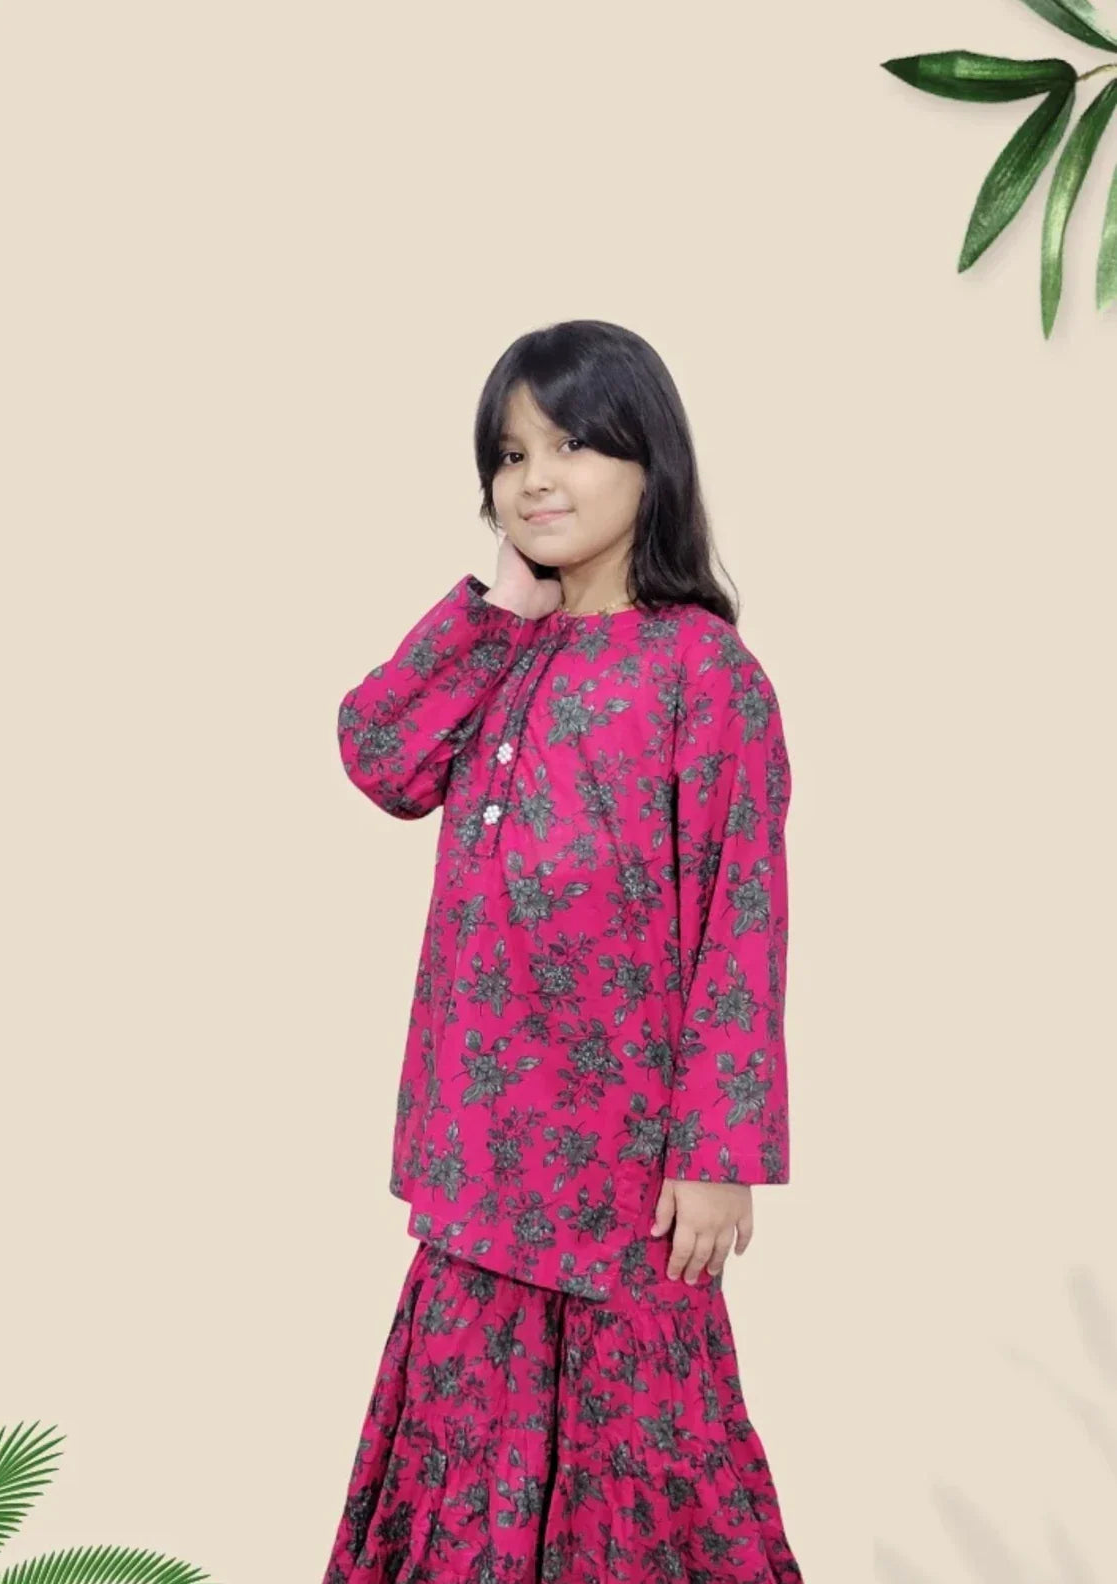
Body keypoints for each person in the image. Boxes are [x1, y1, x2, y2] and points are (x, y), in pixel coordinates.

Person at [320, 319, 804, 1582]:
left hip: (625, 1180)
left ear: (651, 461)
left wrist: (718, 1154)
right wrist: (495, 609)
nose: (535, 478)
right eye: (509, 453)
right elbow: (380, 757)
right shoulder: (500, 653)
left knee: (651, 1461)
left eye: (572, 444)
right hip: (476, 1163)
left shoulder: (704, 673)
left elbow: (741, 918)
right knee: (459, 1461)